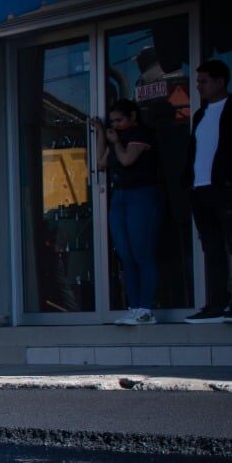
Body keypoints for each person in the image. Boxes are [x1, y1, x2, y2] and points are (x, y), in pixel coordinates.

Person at [187, 59, 232, 324]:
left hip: (227, 189)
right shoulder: (200, 114)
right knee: (212, 248)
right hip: (200, 188)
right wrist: (190, 182)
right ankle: (217, 303)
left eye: (203, 81)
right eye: (198, 81)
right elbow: (196, 150)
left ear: (220, 81)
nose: (199, 86)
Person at [93, 99, 161, 325]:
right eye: (113, 121)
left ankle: (146, 307)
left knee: (142, 251)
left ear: (132, 116)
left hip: (141, 194)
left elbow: (126, 159)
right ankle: (134, 306)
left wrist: (116, 141)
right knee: (126, 254)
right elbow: (101, 163)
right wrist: (102, 134)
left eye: (120, 120)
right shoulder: (117, 138)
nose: (117, 125)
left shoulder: (141, 134)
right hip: (119, 196)